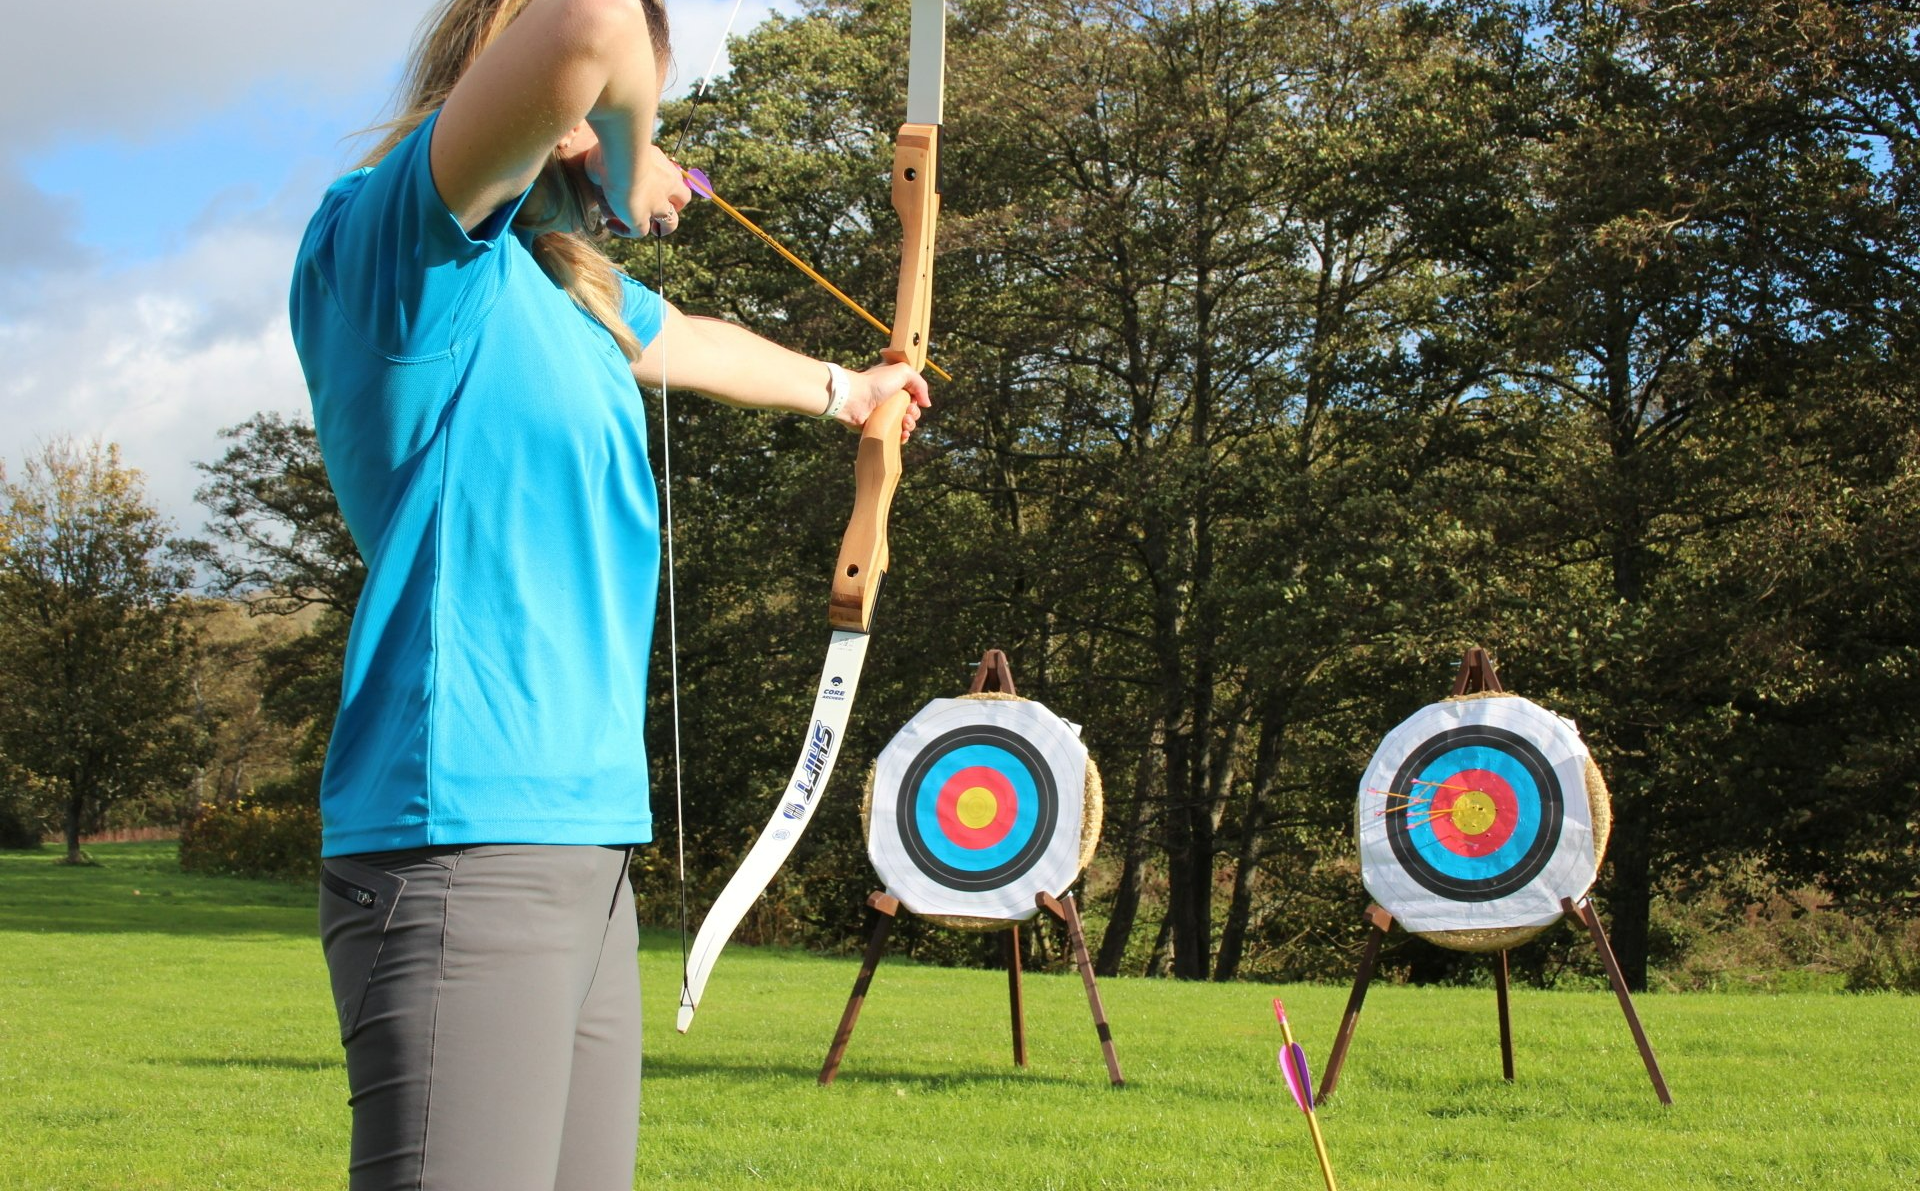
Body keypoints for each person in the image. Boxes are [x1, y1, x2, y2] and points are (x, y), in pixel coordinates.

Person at [288, 1, 930, 1187]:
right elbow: (591, 21)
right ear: (569, 118)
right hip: (461, 839)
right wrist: (633, 151)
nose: (666, 162)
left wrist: (851, 388)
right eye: (645, 122)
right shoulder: (401, 256)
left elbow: (687, 336)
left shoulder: (569, 302)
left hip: (584, 847)